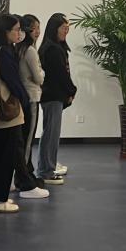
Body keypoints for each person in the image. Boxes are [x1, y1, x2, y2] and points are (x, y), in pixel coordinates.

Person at [0, 15, 46, 211]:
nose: (20, 33)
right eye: (16, 29)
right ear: (6, 31)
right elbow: (13, 80)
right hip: (7, 110)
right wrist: (24, 99)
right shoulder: (4, 51)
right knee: (5, 154)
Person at [38, 13, 76, 184]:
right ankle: (46, 171)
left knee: (51, 133)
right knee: (51, 134)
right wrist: (72, 90)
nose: (66, 31)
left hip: (54, 96)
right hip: (52, 96)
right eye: (63, 28)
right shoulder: (52, 49)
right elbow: (60, 75)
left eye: (67, 28)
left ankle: (48, 167)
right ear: (54, 29)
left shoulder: (56, 47)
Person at [17, 14, 45, 184]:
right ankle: (24, 177)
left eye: (38, 28)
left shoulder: (19, 48)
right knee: (28, 139)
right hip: (32, 97)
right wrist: (43, 72)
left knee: (24, 137)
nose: (38, 32)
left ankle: (25, 172)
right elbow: (38, 77)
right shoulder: (30, 51)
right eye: (35, 28)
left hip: (24, 97)